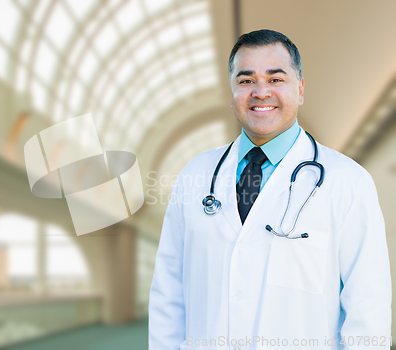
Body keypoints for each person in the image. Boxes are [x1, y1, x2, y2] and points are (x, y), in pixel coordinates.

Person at [148, 29, 391, 350]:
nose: (261, 92)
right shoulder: (196, 175)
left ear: (300, 89)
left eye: (276, 79)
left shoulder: (348, 181)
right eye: (246, 80)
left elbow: (367, 303)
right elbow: (169, 293)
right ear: (232, 91)